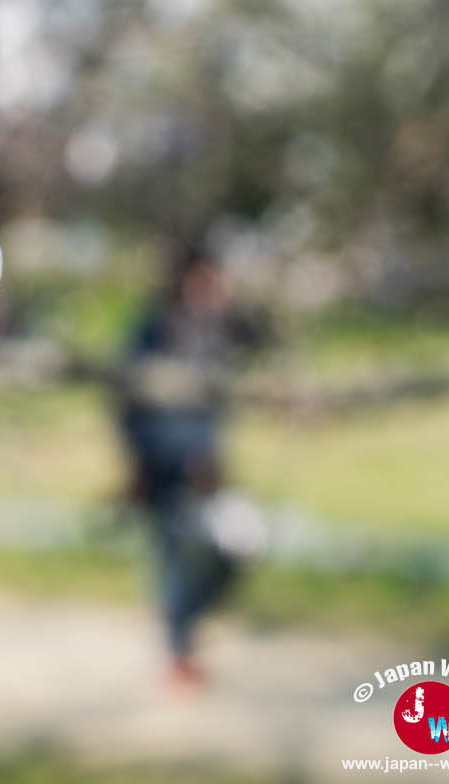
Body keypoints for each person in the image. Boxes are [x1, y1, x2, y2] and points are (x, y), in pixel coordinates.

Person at [115, 243, 265, 688]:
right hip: (165, 465)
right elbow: (129, 405)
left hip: (208, 469)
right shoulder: (153, 332)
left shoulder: (219, 333)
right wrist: (145, 463)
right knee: (175, 558)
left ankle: (182, 630)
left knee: (236, 547)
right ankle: (178, 652)